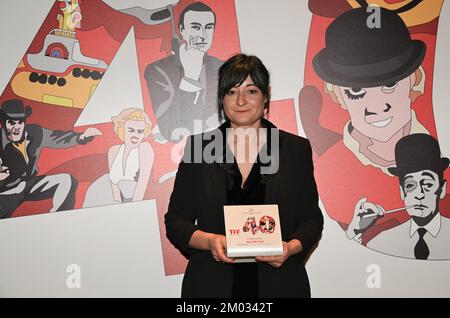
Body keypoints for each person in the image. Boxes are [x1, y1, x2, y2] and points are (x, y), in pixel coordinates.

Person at [165, 54, 323, 298]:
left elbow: (311, 219)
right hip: (211, 286)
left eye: (251, 91)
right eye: (231, 92)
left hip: (280, 285)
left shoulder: (295, 149)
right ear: (221, 97)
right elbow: (176, 220)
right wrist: (209, 241)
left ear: (266, 95)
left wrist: (290, 248)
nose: (241, 101)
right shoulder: (199, 148)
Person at [306, 6, 450, 243]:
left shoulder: (442, 155)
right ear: (337, 96)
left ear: (415, 80)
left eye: (390, 83)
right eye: (355, 91)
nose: (376, 106)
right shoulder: (327, 168)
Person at [346, 134, 450, 260]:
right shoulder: (381, 243)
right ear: (402, 192)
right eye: (410, 185)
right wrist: (355, 231)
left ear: (442, 188)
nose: (419, 194)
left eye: (427, 184)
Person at [0, 99, 102, 219]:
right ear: (4, 124)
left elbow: (58, 138)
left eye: (19, 123)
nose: (16, 127)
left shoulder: (35, 132)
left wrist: (82, 137)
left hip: (30, 183)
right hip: (7, 191)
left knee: (66, 180)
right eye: (11, 123)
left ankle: (60, 219)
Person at [144, 1, 223, 143]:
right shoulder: (157, 70)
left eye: (209, 27)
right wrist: (190, 77)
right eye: (196, 27)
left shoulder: (222, 67)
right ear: (182, 30)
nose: (203, 35)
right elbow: (172, 131)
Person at [83, 108, 154, 207]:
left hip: (134, 201)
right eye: (131, 130)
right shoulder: (113, 151)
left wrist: (135, 207)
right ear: (122, 129)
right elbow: (114, 186)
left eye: (140, 131)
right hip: (106, 198)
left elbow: (142, 182)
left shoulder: (145, 148)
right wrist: (117, 206)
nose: (135, 135)